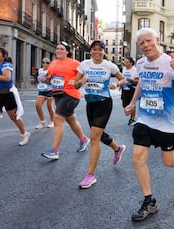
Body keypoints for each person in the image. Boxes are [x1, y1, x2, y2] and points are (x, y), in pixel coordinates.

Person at [124, 28, 174, 222]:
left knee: (168, 161)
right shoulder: (140, 63)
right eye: (141, 43)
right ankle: (149, 201)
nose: (145, 45)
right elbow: (141, 84)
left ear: (158, 40)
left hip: (166, 123)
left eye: (149, 41)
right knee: (137, 157)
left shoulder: (169, 63)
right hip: (145, 119)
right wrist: (132, 103)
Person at [74, 40, 127, 189]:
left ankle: (90, 175)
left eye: (100, 49)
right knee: (98, 134)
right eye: (94, 49)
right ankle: (118, 149)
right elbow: (74, 84)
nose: (97, 52)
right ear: (90, 51)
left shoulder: (109, 66)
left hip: (104, 102)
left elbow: (123, 79)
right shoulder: (84, 64)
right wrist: (81, 81)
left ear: (103, 51)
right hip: (90, 102)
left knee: (94, 137)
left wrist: (116, 84)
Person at [41, 42, 90, 160]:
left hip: (71, 95)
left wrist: (78, 82)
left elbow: (86, 76)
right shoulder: (53, 63)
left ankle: (55, 151)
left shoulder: (75, 63)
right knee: (71, 120)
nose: (58, 50)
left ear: (67, 51)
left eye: (61, 49)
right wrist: (46, 79)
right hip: (57, 94)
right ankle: (84, 140)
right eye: (57, 48)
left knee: (57, 120)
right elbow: (50, 78)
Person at [35, 57, 55, 129]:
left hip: (50, 90)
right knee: (38, 105)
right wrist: (39, 80)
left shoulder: (51, 71)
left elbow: (54, 81)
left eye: (47, 62)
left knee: (49, 106)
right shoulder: (40, 70)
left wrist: (46, 80)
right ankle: (42, 121)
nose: (45, 64)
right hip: (42, 90)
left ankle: (52, 121)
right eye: (43, 62)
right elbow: (37, 78)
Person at [121, 56, 139, 125]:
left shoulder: (135, 70)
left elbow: (138, 81)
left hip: (132, 89)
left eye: (127, 62)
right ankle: (132, 115)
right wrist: (121, 85)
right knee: (125, 104)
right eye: (125, 62)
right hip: (125, 89)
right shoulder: (123, 69)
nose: (126, 63)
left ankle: (133, 118)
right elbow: (122, 78)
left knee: (132, 104)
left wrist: (131, 80)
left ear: (131, 63)